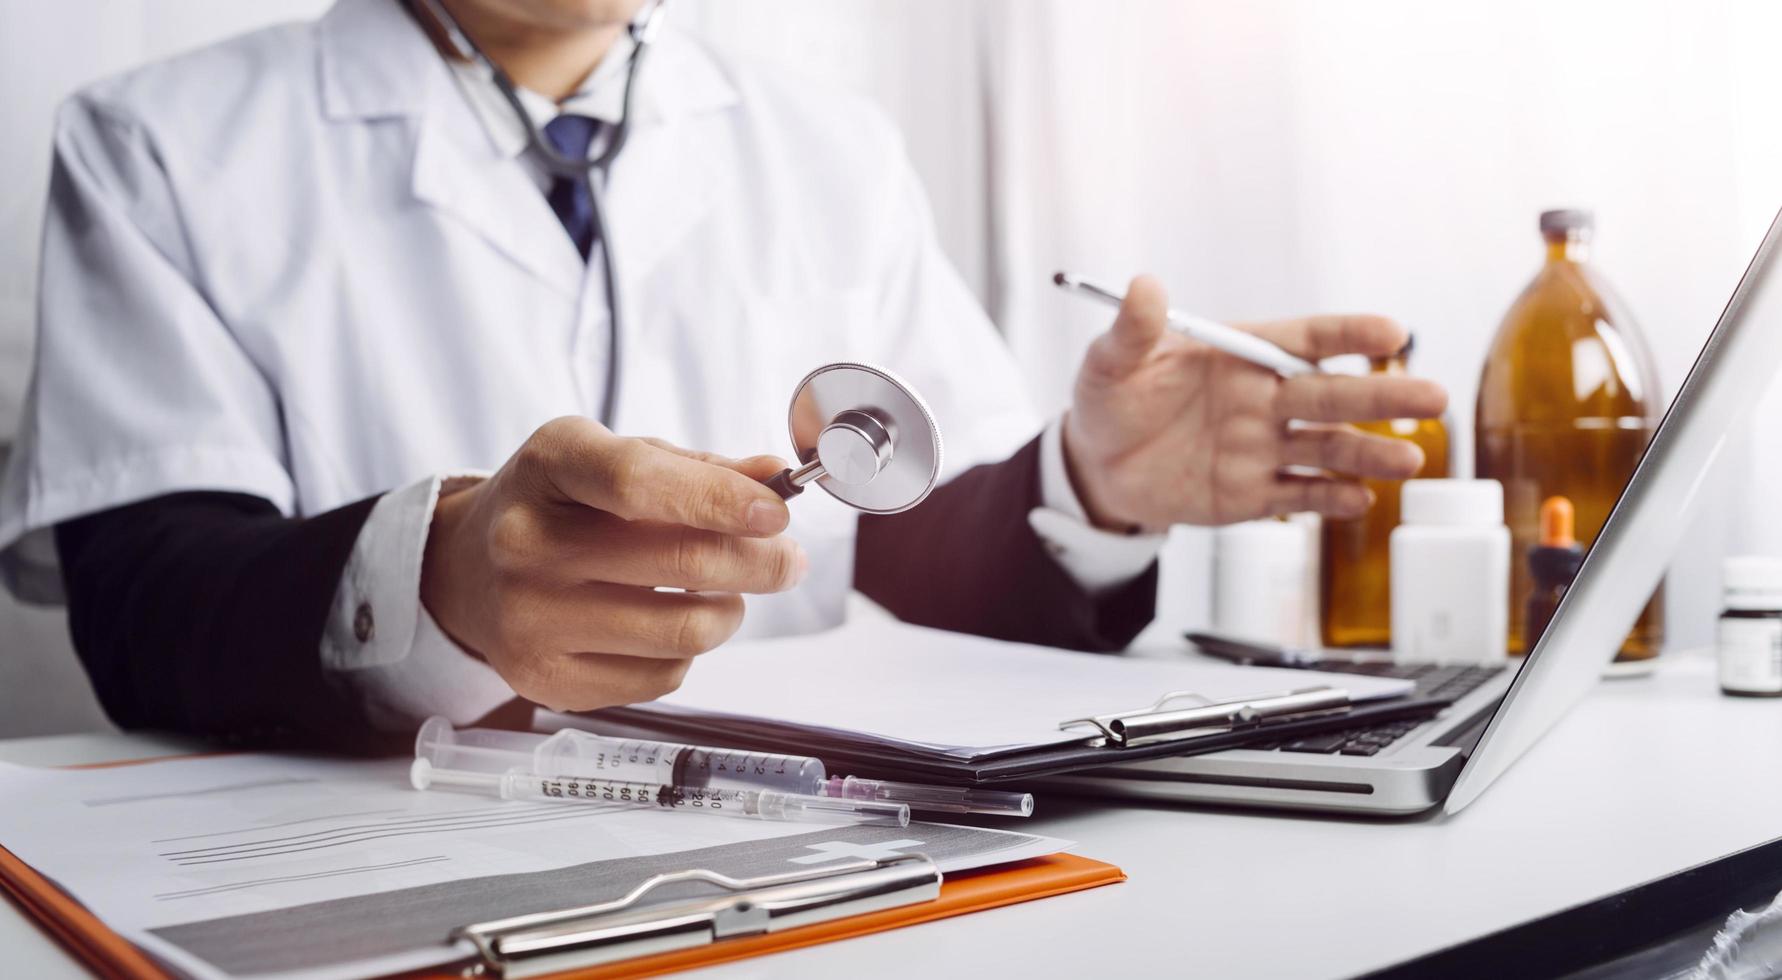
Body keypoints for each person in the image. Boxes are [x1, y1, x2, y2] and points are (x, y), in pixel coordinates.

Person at [0, 0, 1445, 750]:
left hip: (807, 869)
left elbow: (926, 562)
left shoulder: (831, 147)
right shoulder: (155, 143)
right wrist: (437, 579)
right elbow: (145, 608)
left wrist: (1084, 486)